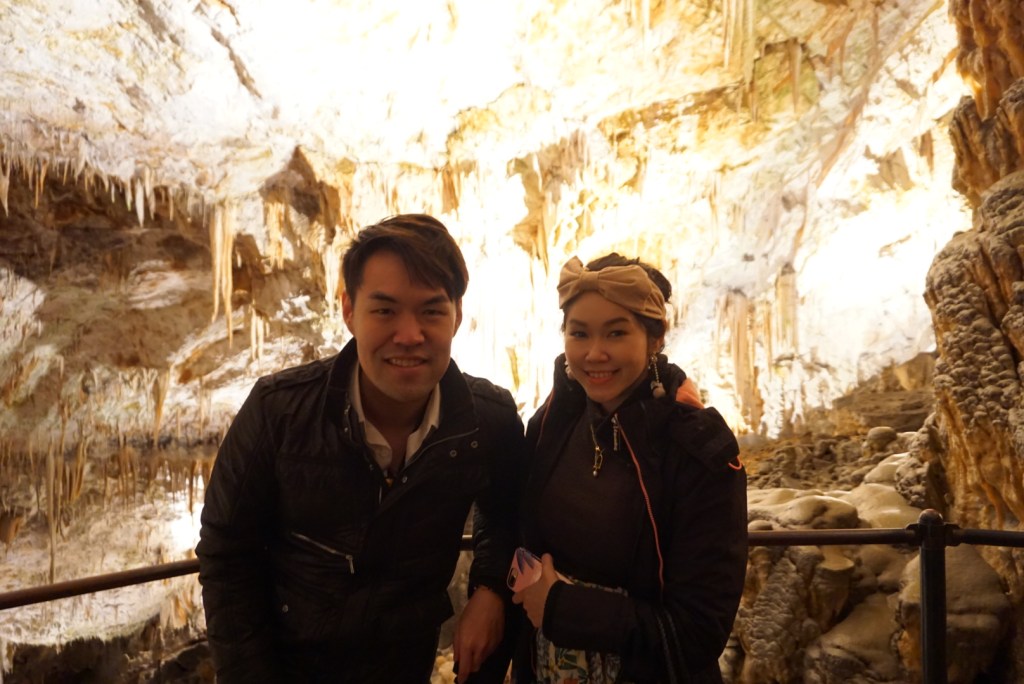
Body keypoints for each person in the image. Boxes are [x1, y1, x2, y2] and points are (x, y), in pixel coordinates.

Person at [196, 214, 523, 683]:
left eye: (431, 311)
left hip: (403, 664)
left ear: (457, 315)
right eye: (385, 311)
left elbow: (507, 509)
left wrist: (490, 588)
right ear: (349, 310)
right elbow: (227, 552)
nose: (409, 335)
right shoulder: (280, 412)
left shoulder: (487, 421)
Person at [511, 253, 748, 683]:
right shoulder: (552, 421)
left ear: (655, 338)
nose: (594, 353)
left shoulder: (699, 452)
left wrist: (561, 608)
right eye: (579, 333)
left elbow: (697, 632)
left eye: (616, 333)